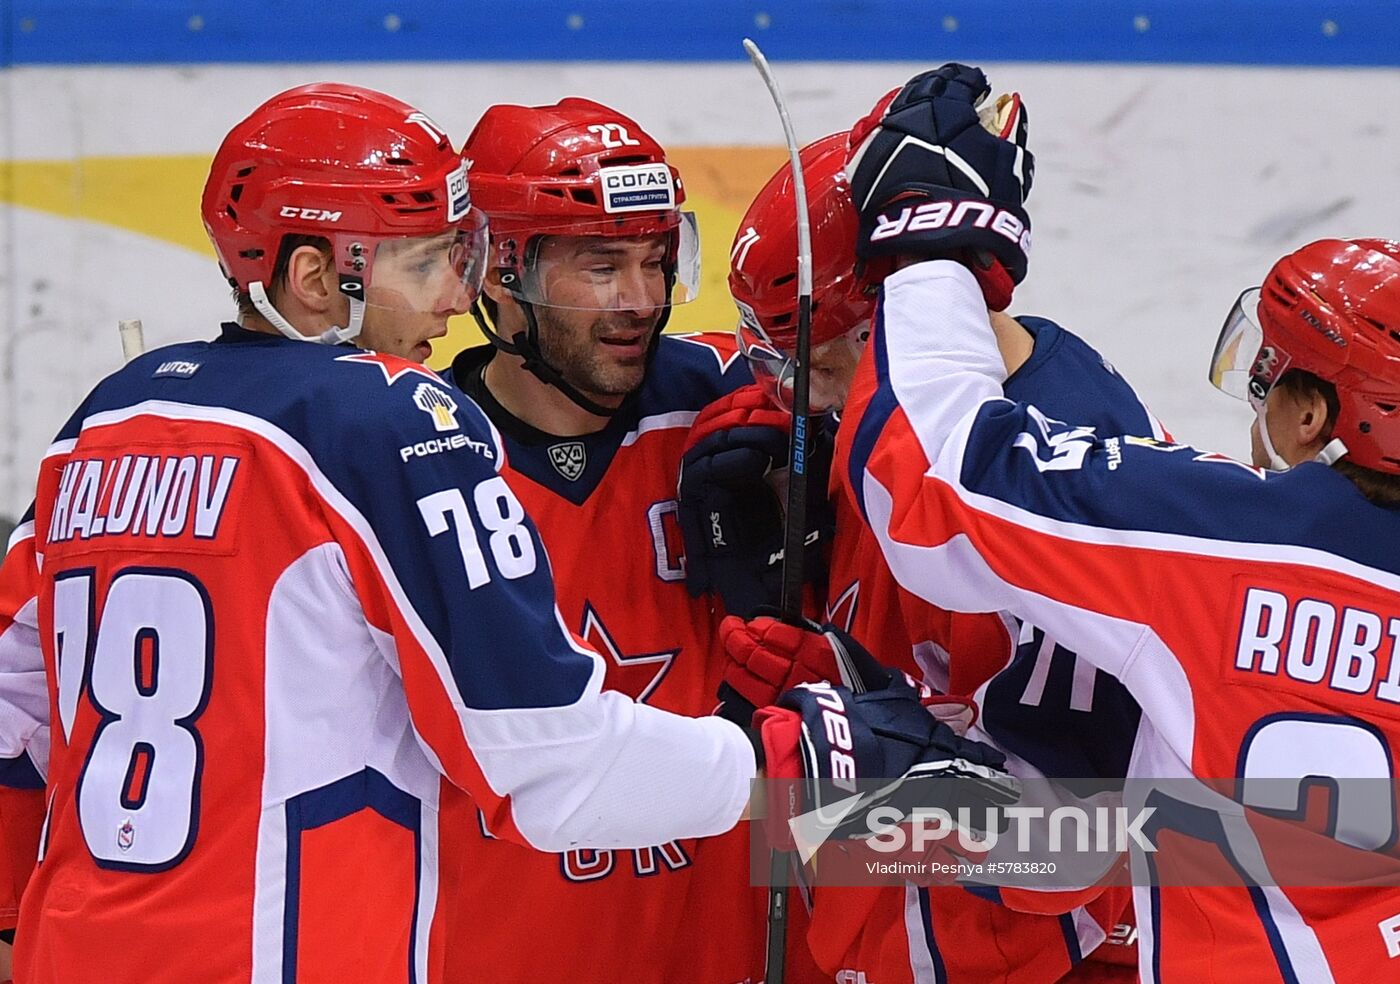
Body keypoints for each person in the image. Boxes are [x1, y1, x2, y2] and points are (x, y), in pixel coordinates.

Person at [0, 82, 998, 984]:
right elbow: (549, 762)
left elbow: (18, 719)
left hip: (86, 944)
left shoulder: (106, 418)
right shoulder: (395, 426)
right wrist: (808, 766)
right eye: (429, 259)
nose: (642, 299)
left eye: (657, 261)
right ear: (315, 276)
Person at [831, 63, 1400, 981]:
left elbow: (937, 486)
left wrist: (930, 245)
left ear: (1313, 417)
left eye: (1269, 376)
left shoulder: (1223, 540)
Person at [685, 123, 1145, 981]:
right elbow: (944, 683)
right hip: (916, 940)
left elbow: (1073, 843)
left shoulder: (1053, 487)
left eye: (808, 363)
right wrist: (836, 668)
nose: (789, 396)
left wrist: (849, 746)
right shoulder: (902, 431)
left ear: (886, 326)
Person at [432, 97, 777, 984]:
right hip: (492, 947)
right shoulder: (408, 456)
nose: (642, 301)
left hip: (717, 943)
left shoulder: (729, 406)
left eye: (657, 261)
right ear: (496, 273)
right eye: (601, 266)